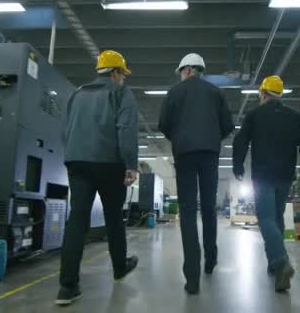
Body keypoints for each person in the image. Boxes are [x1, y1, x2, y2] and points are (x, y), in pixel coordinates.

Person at [56, 50, 139, 306]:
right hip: (109, 163)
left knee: (77, 221)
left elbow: (65, 130)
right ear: (115, 72)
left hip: (77, 162)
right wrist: (131, 164)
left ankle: (67, 287)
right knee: (114, 217)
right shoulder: (120, 92)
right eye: (122, 74)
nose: (123, 78)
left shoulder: (77, 93)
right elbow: (125, 129)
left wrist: (73, 155)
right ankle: (119, 266)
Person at [232, 75, 300, 292]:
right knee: (276, 218)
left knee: (265, 219)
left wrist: (238, 167)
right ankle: (275, 265)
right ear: (279, 94)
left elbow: (241, 141)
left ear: (263, 93)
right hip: (285, 177)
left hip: (263, 176)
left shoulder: (254, 114)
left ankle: (281, 262)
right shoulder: (295, 117)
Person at [158, 53, 234, 294]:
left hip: (184, 154)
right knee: (209, 207)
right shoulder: (215, 92)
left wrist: (180, 138)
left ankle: (192, 277)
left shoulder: (175, 92)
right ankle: (210, 261)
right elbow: (228, 126)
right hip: (209, 154)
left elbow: (164, 124)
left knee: (189, 210)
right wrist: (211, 138)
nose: (181, 75)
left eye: (181, 71)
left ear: (188, 69)